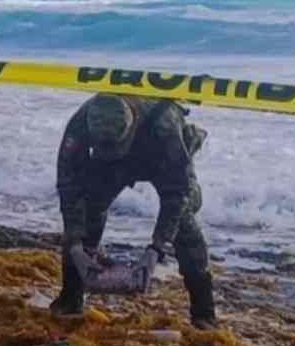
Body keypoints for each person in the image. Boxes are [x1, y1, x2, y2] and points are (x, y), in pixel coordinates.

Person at [53, 93, 216, 327]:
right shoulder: (81, 122)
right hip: (109, 166)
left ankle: (204, 314)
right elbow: (69, 185)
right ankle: (70, 300)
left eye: (116, 147)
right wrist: (76, 245)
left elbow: (177, 195)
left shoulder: (165, 125)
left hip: (158, 156)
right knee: (87, 212)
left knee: (185, 224)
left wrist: (156, 249)